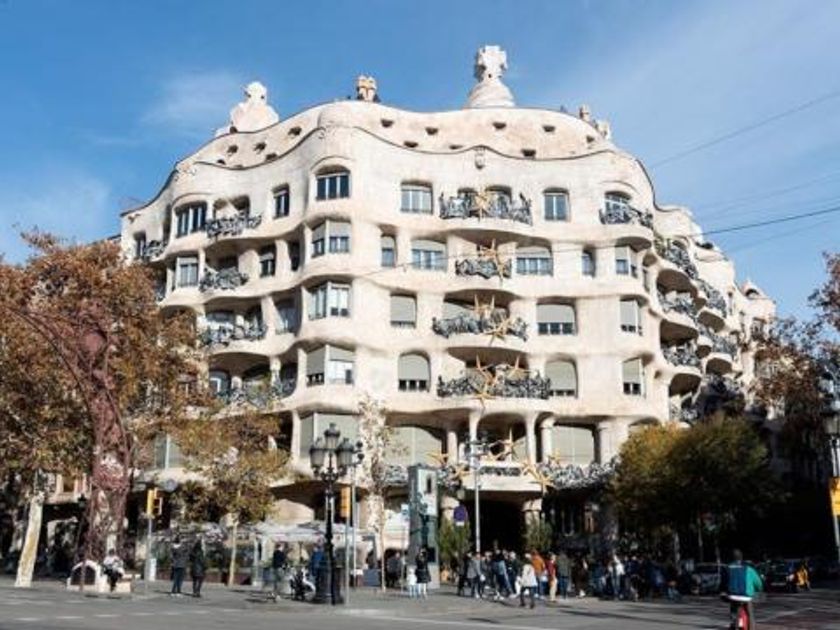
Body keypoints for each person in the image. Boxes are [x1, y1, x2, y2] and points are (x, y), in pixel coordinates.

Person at [722, 549, 762, 630]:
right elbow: (758, 583)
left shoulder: (727, 568)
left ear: (732, 558)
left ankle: (734, 624)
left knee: (734, 613)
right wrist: (759, 589)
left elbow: (723, 583)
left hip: (733, 596)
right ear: (741, 558)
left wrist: (723, 592)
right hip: (746, 597)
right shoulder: (749, 569)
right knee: (750, 614)